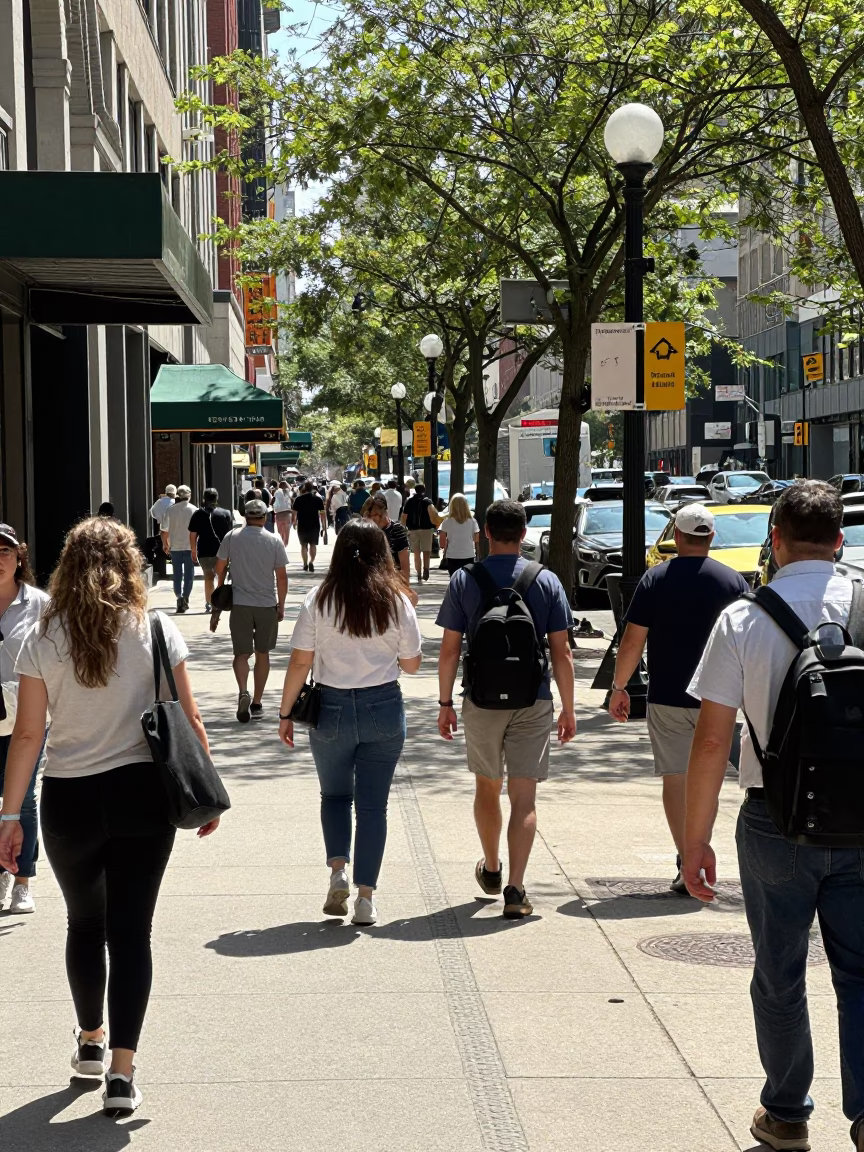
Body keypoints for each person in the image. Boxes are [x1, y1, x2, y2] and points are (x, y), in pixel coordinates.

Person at [0, 517, 218, 1117]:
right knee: (131, 933)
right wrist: (206, 793)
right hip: (143, 795)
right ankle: (122, 1073)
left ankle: (90, 1042)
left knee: (83, 924)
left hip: (69, 800)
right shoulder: (154, 627)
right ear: (131, 564)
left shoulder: (42, 637)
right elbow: (188, 719)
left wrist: (10, 814)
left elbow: (26, 736)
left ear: (66, 565)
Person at [684, 482, 864, 1152]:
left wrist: (694, 841)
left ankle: (786, 1112)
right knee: (862, 974)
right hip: (862, 823)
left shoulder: (743, 619)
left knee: (779, 971)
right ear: (840, 538)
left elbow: (710, 740)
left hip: (773, 822)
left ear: (776, 540)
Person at [436, 500, 576, 918]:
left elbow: (448, 650)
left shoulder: (465, 579)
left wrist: (445, 703)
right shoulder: (545, 580)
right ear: (524, 533)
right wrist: (568, 708)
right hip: (533, 698)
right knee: (524, 798)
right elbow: (562, 650)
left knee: (486, 787)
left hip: (481, 698)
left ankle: (492, 868)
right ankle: (516, 889)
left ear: (485, 535)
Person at [278, 520, 422, 925]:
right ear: (383, 554)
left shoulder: (318, 599)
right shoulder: (395, 601)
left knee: (335, 797)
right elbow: (411, 665)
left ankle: (338, 870)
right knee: (374, 807)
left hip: (331, 708)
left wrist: (286, 712)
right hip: (383, 706)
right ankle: (365, 899)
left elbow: (300, 661)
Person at [608, 504, 748, 893]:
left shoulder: (656, 579)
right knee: (709, 779)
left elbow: (633, 640)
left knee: (675, 777)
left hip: (667, 693)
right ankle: (698, 850)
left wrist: (620, 687)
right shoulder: (734, 582)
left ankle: (685, 859)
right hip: (720, 697)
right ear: (711, 538)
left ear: (679, 538)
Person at [0, 524, 49, 914]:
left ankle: (22, 880)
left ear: (19, 557)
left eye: (5, 551)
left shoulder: (39, 605)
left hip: (26, 720)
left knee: (22, 801)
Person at [214, 498, 288, 723]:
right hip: (266, 604)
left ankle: (243, 691)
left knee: (241, 654)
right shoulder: (274, 540)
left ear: (245, 516)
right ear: (265, 517)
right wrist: (281, 604)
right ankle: (256, 703)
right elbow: (282, 577)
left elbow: (219, 567)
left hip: (240, 604)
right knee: (263, 654)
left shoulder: (232, 537)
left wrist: (220, 591)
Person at [188, 488, 233, 612]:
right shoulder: (225, 513)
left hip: (205, 550)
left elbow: (193, 534)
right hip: (222, 551)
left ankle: (209, 603)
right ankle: (220, 602)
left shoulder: (198, 514)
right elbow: (230, 534)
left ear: (204, 498)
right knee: (221, 577)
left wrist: (193, 550)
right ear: (216, 498)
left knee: (208, 577)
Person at [161, 484, 197, 614]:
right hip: (189, 547)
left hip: (175, 547)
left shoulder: (170, 510)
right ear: (189, 496)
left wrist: (165, 544)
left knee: (177, 575)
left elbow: (164, 530)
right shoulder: (194, 510)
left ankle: (179, 597)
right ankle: (185, 598)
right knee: (189, 575)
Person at [363, 493, 412, 590]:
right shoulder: (365, 530)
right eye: (369, 515)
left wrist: (405, 588)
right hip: (369, 583)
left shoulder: (397, 529)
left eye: (375, 514)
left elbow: (404, 564)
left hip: (392, 583)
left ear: (385, 511)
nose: (372, 518)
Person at [401, 482, 442, 583]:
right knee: (426, 551)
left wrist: (404, 527)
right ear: (423, 490)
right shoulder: (427, 501)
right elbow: (434, 514)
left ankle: (418, 574)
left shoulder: (409, 501)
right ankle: (426, 569)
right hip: (426, 529)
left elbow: (404, 516)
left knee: (416, 553)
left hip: (413, 530)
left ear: (415, 490)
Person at [438, 493, 480, 576]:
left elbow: (442, 542)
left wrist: (444, 549)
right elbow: (476, 540)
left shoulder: (447, 521)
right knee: (467, 580)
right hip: (468, 554)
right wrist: (478, 554)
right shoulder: (472, 521)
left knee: (454, 579)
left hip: (452, 555)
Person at [292, 480, 327, 573]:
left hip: (302, 525)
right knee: (313, 545)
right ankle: (311, 561)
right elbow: (322, 513)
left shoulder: (298, 499)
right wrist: (324, 525)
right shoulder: (318, 499)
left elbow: (294, 512)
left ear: (304, 488)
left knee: (303, 545)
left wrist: (294, 522)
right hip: (314, 525)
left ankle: (305, 563)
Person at [149, 484, 176, 580]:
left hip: (162, 528)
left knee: (161, 551)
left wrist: (159, 519)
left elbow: (152, 512)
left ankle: (162, 573)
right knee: (175, 552)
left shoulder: (159, 502)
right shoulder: (175, 502)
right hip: (174, 529)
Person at [273, 480, 293, 547]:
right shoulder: (289, 492)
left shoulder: (277, 492)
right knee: (286, 532)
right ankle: (285, 544)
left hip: (278, 514)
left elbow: (272, 501)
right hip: (287, 514)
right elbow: (292, 501)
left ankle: (280, 544)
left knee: (280, 531)